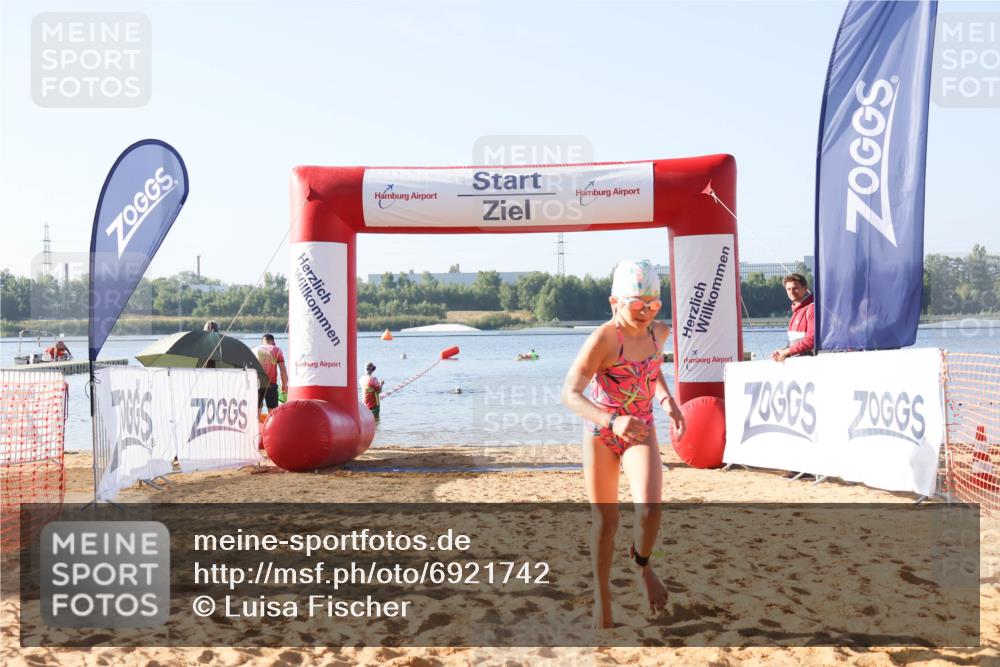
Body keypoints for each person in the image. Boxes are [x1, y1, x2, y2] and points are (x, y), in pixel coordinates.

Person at [561, 259, 685, 629]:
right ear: (615, 302)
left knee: (649, 510)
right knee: (606, 522)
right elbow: (570, 394)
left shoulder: (658, 333)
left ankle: (642, 565)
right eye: (637, 305)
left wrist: (667, 400)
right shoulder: (603, 339)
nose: (646, 312)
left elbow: (652, 369)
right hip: (603, 432)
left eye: (653, 304)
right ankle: (602, 597)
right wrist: (612, 420)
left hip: (641, 430)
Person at [771, 273, 815, 362]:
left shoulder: (812, 308)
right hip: (797, 364)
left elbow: (812, 340)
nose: (791, 292)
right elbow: (795, 342)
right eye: (789, 289)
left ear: (805, 288)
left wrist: (786, 352)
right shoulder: (797, 310)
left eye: (795, 288)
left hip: (809, 365)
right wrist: (782, 352)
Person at [253, 334, 287, 413]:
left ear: (262, 342)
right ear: (273, 342)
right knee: (273, 411)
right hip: (271, 384)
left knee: (257, 409)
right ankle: (273, 425)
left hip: (256, 383)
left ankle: (256, 424)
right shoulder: (277, 350)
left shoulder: (254, 349)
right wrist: (284, 385)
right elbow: (283, 369)